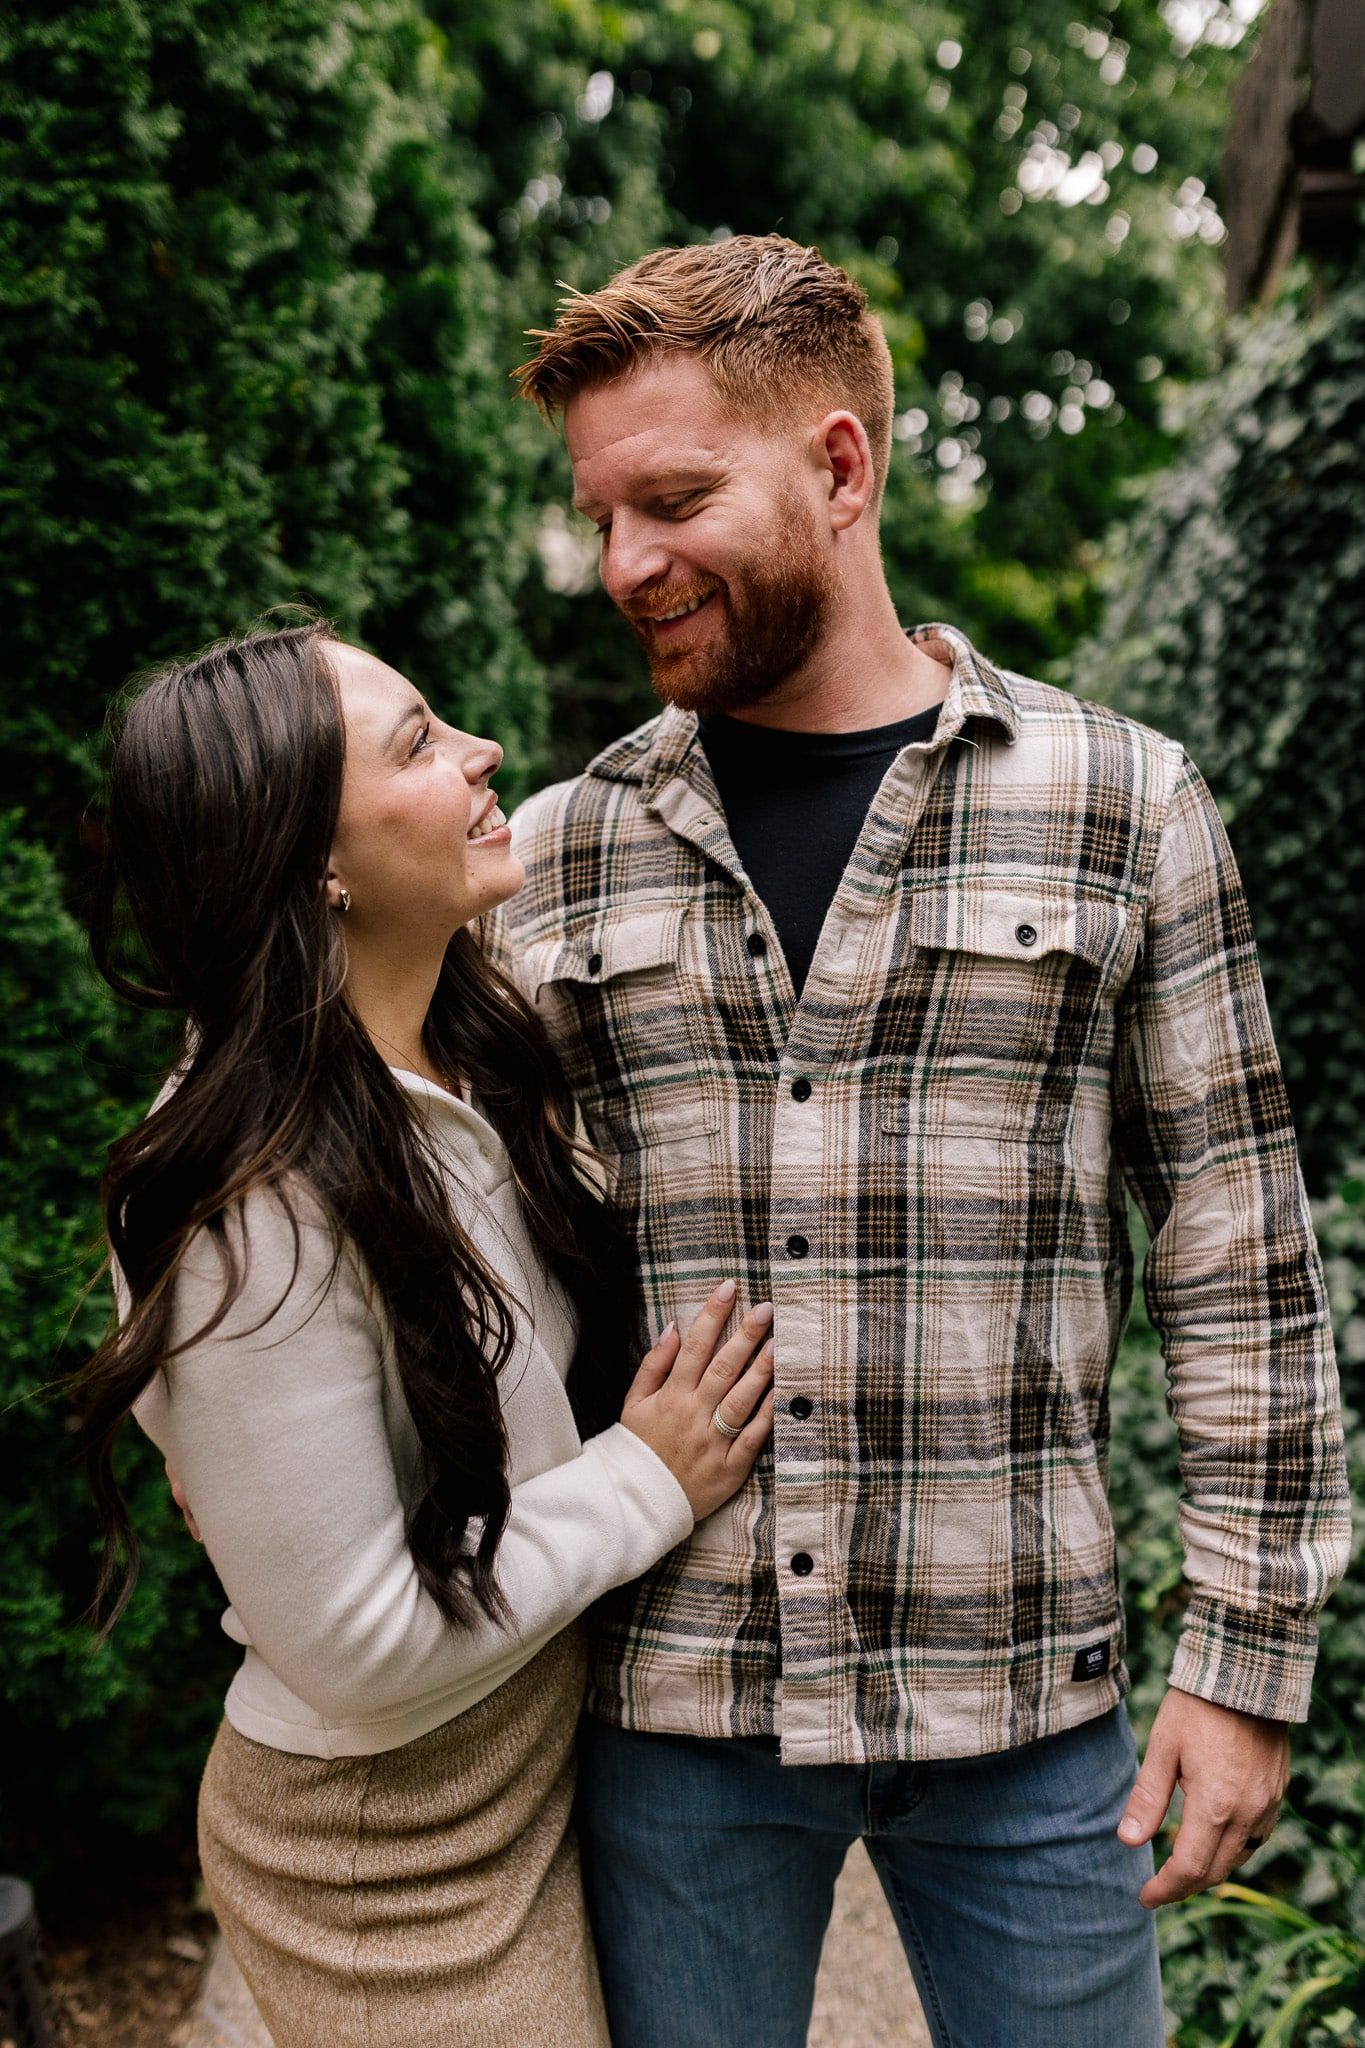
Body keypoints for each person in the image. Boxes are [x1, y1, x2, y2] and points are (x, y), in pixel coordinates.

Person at [494, 235, 1352, 2048]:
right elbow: (418, 1188)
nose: (622, 563)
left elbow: (1236, 1244)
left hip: (1027, 1704)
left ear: (838, 466)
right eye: (600, 516)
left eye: (670, 499)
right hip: (677, 1702)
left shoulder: (1122, 804)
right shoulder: (561, 847)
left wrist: (1244, 1663)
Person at [72, 619, 777, 2048]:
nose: (482, 752)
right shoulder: (243, 1198)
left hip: (540, 1745)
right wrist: (650, 1476)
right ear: (311, 862)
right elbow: (348, 1641)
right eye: (416, 744)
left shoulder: (477, 1043)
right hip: (382, 1846)